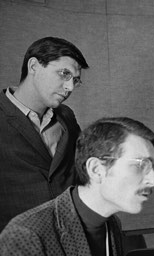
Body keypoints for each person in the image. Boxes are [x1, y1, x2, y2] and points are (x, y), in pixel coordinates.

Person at [0, 117, 154, 255]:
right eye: (140, 165)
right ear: (96, 169)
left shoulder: (111, 222)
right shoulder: (26, 234)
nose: (153, 180)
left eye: (153, 166)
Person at [0, 37, 89, 231]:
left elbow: (80, 171)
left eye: (75, 80)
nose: (70, 88)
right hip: (14, 242)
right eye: (64, 74)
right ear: (34, 66)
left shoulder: (66, 116)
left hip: (69, 236)